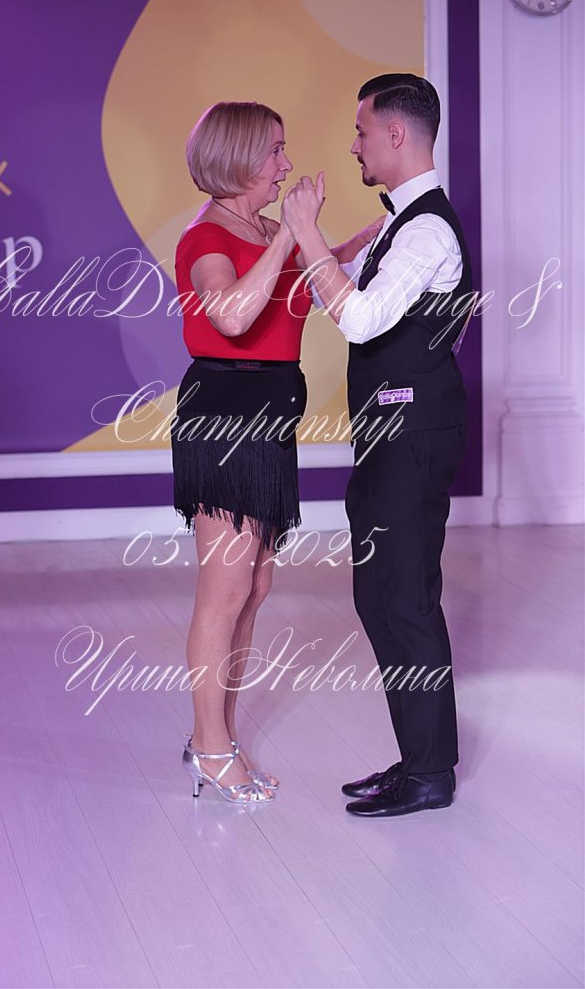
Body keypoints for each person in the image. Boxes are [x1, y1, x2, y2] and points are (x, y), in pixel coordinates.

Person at [173, 101, 383, 803]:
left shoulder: (263, 231)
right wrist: (290, 233)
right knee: (226, 588)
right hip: (225, 418)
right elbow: (232, 314)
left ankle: (218, 737)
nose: (286, 165)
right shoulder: (206, 237)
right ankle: (210, 748)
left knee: (255, 585)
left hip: (268, 419)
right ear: (237, 159)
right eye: (274, 152)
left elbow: (298, 294)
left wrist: (354, 241)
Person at [281, 73, 474, 817]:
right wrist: (328, 243)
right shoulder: (400, 225)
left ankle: (431, 773)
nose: (354, 145)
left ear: (396, 134)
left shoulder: (426, 230)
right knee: (380, 595)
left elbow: (357, 318)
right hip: (389, 434)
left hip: (413, 435)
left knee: (405, 598)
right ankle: (419, 757)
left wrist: (307, 233)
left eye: (362, 131)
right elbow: (329, 288)